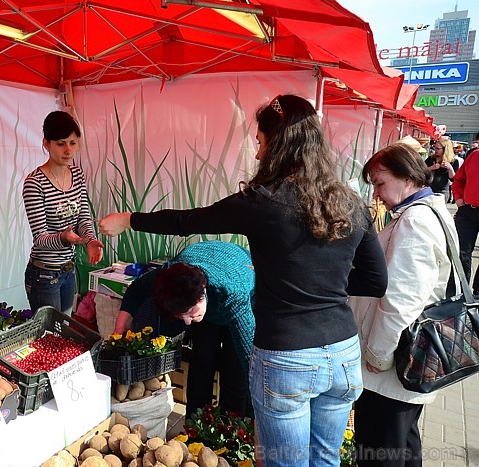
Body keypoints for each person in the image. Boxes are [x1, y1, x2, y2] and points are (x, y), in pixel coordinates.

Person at [99, 94, 388, 466]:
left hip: (289, 357)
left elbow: (188, 222)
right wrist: (323, 287)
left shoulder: (263, 202)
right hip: (345, 353)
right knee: (326, 461)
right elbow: (375, 281)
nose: (257, 154)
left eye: (260, 142)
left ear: (277, 144)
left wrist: (128, 220)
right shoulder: (350, 202)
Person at [350, 143, 458, 467]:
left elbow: (400, 301)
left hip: (394, 366)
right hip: (405, 364)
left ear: (407, 176)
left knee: (381, 450)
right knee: (404, 443)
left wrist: (377, 355)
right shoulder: (431, 210)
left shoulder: (415, 221)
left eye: (380, 183)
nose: (377, 194)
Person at [114, 240, 256, 418]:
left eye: (189, 313)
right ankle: (194, 426)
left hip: (241, 291)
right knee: (202, 360)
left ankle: (231, 429)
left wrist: (256, 419)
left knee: (235, 370)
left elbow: (250, 362)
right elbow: (137, 290)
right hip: (204, 293)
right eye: (181, 316)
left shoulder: (234, 294)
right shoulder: (171, 274)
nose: (187, 322)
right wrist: (120, 327)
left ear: (202, 293)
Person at [22, 111, 104, 315]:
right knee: (50, 336)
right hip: (44, 274)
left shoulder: (77, 174)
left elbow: (84, 216)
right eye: (61, 143)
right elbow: (40, 238)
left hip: (68, 270)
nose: (68, 150)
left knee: (66, 328)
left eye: (73, 143)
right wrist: (64, 238)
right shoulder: (35, 183)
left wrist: (90, 240)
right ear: (46, 143)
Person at [451, 138, 479, 295]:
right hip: (468, 211)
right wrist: (458, 198)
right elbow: (458, 180)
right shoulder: (474, 156)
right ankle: (462, 291)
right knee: (461, 252)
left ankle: (477, 292)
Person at [425, 138, 458, 203]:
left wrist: (450, 168)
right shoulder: (431, 159)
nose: (435, 150)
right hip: (428, 188)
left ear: (445, 150)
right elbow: (421, 171)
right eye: (435, 148)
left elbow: (453, 179)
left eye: (438, 149)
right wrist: (431, 168)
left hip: (442, 191)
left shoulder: (453, 161)